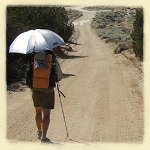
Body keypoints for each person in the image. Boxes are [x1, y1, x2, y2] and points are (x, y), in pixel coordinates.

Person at [29, 50, 62, 142]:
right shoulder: (52, 58)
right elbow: (59, 75)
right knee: (46, 115)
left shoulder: (33, 57)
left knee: (38, 112)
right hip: (48, 90)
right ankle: (44, 136)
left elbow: (29, 73)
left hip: (35, 88)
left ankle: (39, 131)